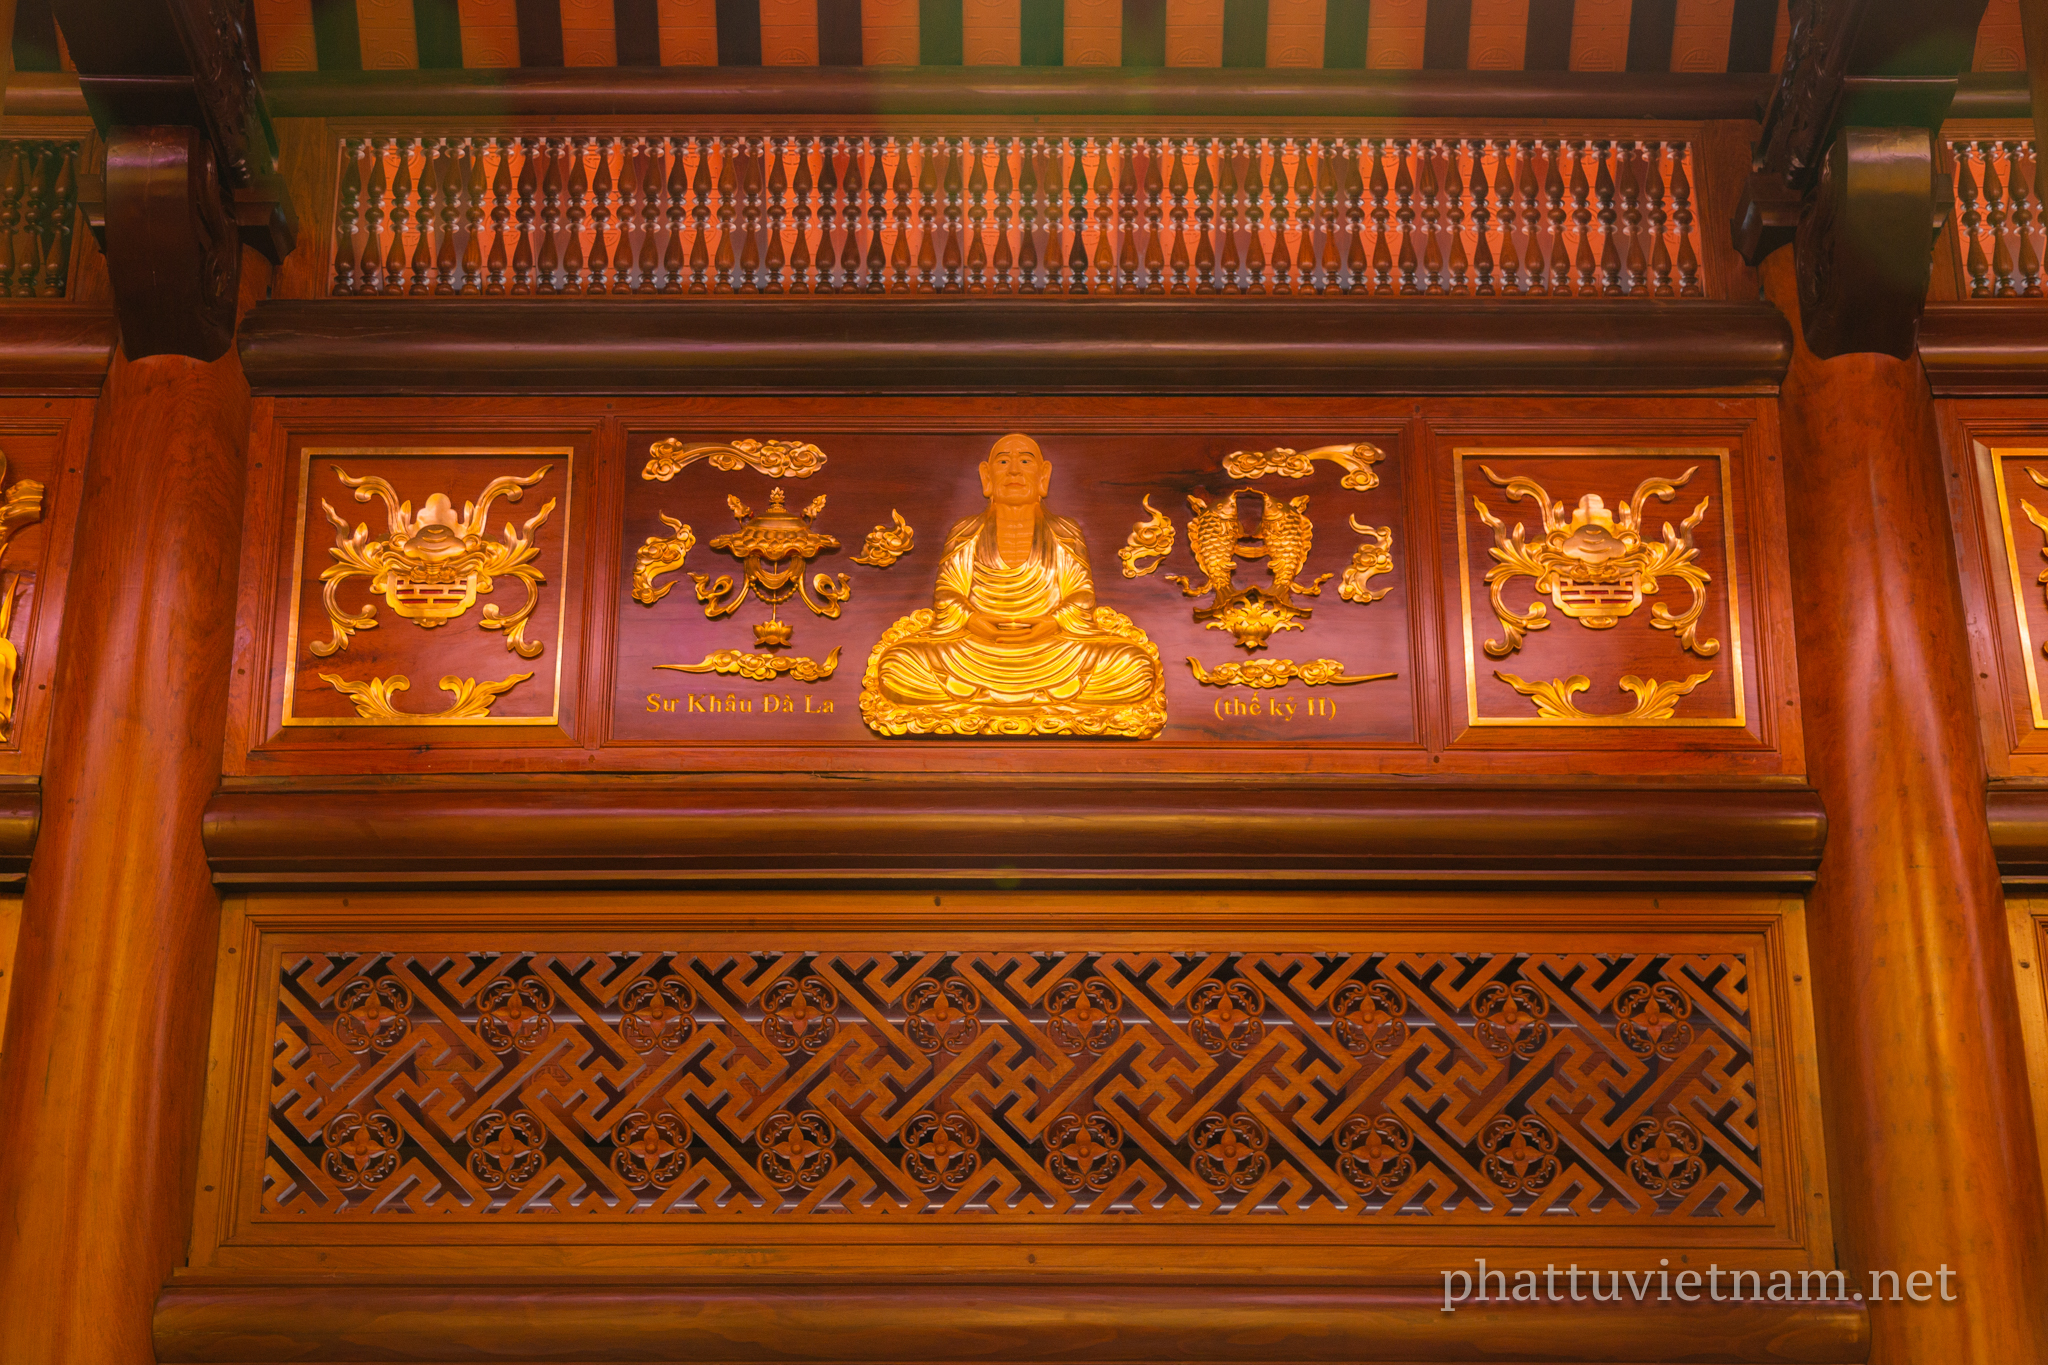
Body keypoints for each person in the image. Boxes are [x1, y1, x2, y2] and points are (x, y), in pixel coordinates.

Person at [860, 433, 1165, 738]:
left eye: (1025, 462)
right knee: (898, 665)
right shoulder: (966, 530)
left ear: (1043, 476)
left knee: (1134, 666)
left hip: (1052, 651)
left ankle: (982, 700)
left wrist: (1053, 623)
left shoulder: (1065, 531)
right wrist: (972, 620)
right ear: (986, 476)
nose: (1015, 471)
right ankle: (1042, 700)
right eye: (1004, 462)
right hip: (975, 649)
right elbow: (947, 593)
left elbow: (1081, 594)